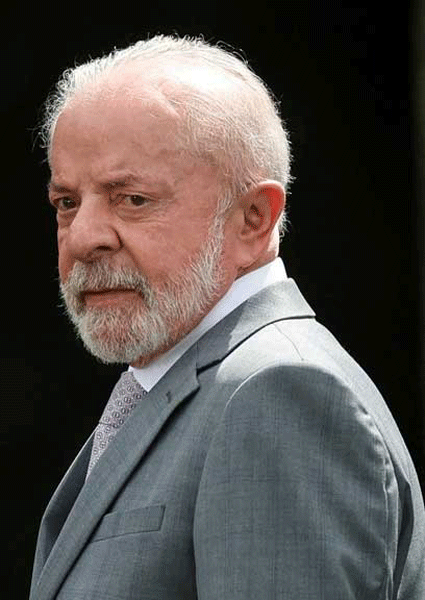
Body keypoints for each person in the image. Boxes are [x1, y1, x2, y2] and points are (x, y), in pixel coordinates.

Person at [30, 35, 425, 600]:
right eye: (67, 202)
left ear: (253, 219)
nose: (83, 237)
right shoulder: (205, 385)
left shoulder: (280, 392)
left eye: (132, 198)